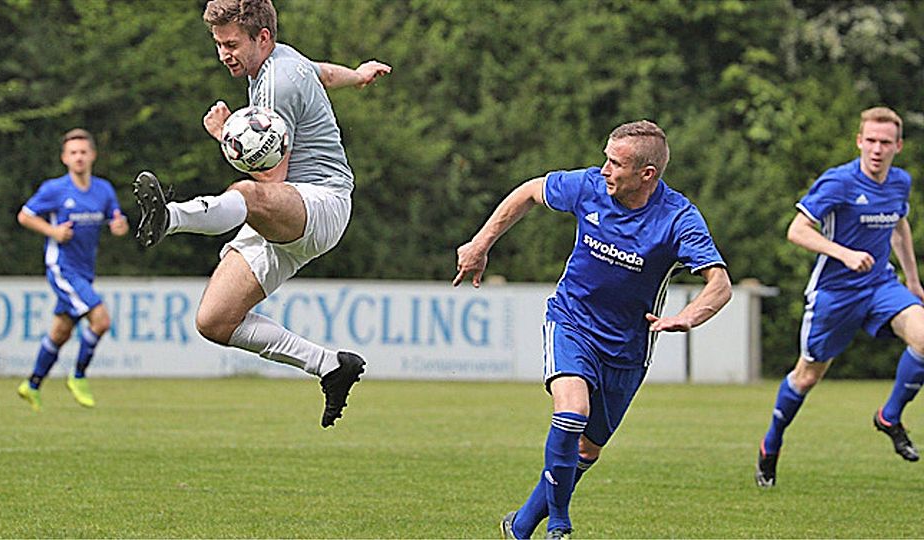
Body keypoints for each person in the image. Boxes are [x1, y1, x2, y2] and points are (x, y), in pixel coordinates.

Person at [454, 120, 732, 539]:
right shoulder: (588, 186)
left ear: (647, 174)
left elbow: (720, 284)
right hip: (572, 321)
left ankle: (522, 524)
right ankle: (560, 525)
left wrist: (688, 316)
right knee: (571, 413)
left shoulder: (678, 218)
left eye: (615, 163)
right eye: (605, 158)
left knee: (588, 448)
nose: (604, 169)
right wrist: (480, 244)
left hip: (627, 348)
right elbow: (529, 191)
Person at [132, 0, 391, 428]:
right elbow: (322, 72)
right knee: (214, 320)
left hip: (320, 201)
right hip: (290, 213)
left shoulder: (277, 85)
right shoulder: (287, 59)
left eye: (231, 43)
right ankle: (331, 366)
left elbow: (271, 184)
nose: (223, 54)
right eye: (218, 44)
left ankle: (170, 217)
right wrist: (358, 76)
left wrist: (226, 137)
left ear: (262, 37)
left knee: (248, 194)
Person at [756, 106, 923, 487]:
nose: (877, 149)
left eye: (885, 142)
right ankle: (771, 444)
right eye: (871, 141)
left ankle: (889, 417)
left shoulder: (900, 182)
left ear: (898, 145)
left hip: (881, 285)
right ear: (859, 142)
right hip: (835, 293)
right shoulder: (839, 182)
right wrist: (844, 253)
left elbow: (899, 226)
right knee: (807, 376)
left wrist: (912, 281)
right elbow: (796, 230)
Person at [16, 128, 130, 411]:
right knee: (101, 320)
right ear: (64, 158)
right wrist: (52, 231)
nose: (79, 157)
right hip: (62, 267)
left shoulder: (103, 190)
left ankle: (31, 384)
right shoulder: (54, 189)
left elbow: (116, 221)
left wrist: (120, 226)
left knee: (60, 333)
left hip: (85, 270)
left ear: (92, 155)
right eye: (73, 153)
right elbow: (25, 216)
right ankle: (78, 375)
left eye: (83, 152)